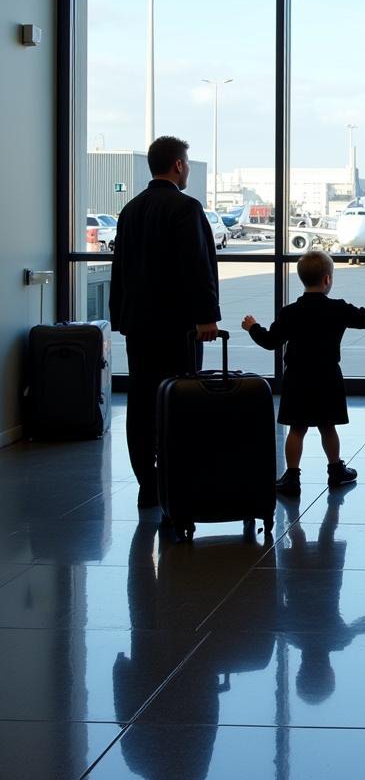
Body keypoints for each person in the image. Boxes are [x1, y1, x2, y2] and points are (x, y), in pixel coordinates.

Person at [109, 136, 220, 509]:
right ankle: (177, 480)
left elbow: (120, 270)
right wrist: (206, 316)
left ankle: (147, 484)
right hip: (178, 327)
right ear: (177, 165)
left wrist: (120, 317)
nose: (188, 168)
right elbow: (196, 266)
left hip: (138, 325)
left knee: (141, 402)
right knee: (180, 400)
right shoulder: (185, 208)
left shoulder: (131, 210)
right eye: (187, 163)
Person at [242, 249, 365, 496]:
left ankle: (292, 477)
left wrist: (253, 326)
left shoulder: (290, 312)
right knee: (327, 426)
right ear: (328, 279)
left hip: (297, 378)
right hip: (327, 377)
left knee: (296, 429)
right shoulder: (338, 308)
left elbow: (270, 341)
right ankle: (335, 470)